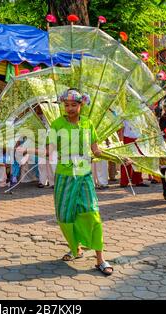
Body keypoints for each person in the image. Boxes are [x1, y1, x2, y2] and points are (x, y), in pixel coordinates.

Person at [22, 88, 113, 276]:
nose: (69, 108)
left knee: (92, 213)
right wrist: (29, 150)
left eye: (74, 105)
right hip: (64, 176)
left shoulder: (88, 124)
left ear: (81, 105)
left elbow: (96, 151)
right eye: (67, 105)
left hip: (84, 175)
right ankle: (75, 249)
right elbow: (49, 151)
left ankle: (100, 259)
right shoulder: (56, 124)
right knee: (65, 216)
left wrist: (118, 158)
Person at [119, 120, 148, 187]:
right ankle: (124, 182)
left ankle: (138, 180)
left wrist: (144, 140)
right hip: (127, 139)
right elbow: (121, 130)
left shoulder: (141, 115)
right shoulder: (125, 115)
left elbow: (144, 129)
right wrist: (121, 142)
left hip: (138, 139)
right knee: (126, 160)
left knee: (138, 160)